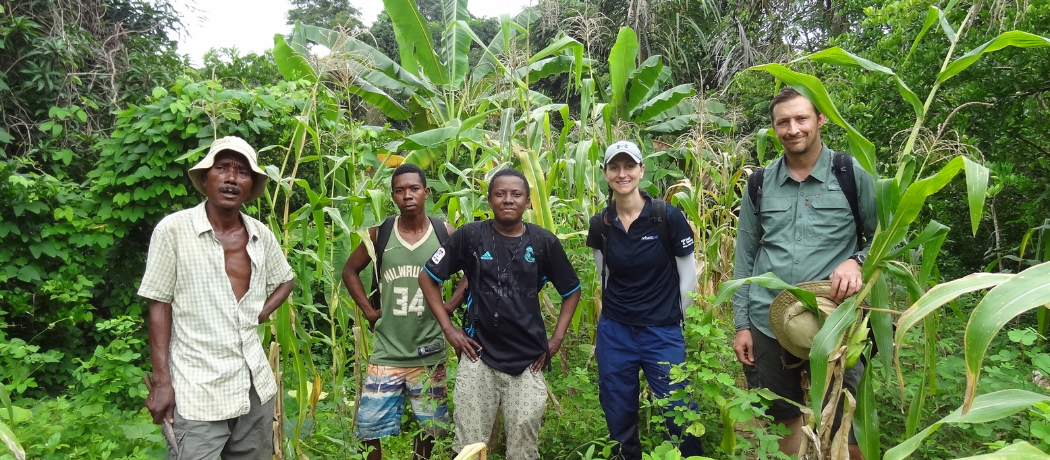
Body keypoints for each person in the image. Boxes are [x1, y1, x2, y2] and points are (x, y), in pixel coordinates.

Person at [732, 87, 876, 459]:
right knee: (783, 415)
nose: (792, 129)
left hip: (834, 318)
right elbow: (745, 257)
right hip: (769, 320)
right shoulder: (760, 184)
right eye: (783, 122)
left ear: (820, 120)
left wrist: (856, 260)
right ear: (774, 128)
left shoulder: (849, 173)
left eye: (801, 119)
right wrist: (742, 325)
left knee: (848, 419)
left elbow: (885, 238)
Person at [139, 136, 295, 460]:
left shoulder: (260, 234)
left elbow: (286, 279)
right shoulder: (174, 231)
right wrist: (162, 381)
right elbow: (159, 304)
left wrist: (260, 314)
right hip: (197, 390)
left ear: (251, 185)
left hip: (254, 388)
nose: (231, 178)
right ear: (206, 177)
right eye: (222, 168)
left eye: (242, 171)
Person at [418, 168, 582, 460]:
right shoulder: (471, 236)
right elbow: (428, 277)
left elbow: (571, 291)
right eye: (500, 193)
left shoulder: (544, 242)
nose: (508, 199)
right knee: (469, 447)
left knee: (523, 447)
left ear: (528, 201)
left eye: (516, 194)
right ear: (490, 200)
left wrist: (555, 340)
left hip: (528, 360)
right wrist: (449, 330)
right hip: (477, 356)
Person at [586, 140, 704, 459]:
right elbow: (604, 273)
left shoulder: (665, 217)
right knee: (618, 411)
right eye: (614, 167)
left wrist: (676, 317)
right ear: (606, 173)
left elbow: (688, 275)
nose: (622, 174)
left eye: (628, 166)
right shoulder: (601, 225)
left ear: (641, 170)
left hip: (661, 330)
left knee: (678, 409)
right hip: (616, 330)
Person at [342, 163, 466, 460]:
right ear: (393, 196)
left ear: (426, 192)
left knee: (430, 428)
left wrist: (449, 308)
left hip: (429, 351)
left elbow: (472, 270)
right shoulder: (380, 234)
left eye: (413, 189)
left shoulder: (444, 232)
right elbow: (349, 270)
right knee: (369, 428)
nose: (407, 195)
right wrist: (369, 312)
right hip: (387, 351)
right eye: (400, 190)